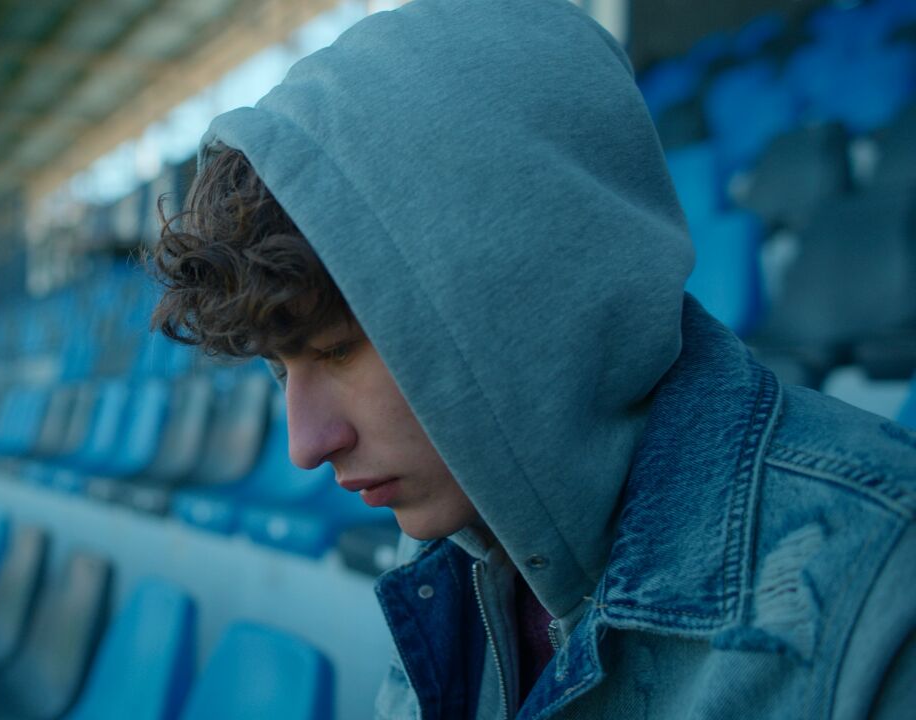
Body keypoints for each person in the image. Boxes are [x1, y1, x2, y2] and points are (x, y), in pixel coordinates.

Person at [147, 0, 916, 717]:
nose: (306, 445)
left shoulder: (881, 586)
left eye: (338, 349)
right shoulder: (454, 535)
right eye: (283, 369)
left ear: (524, 291)